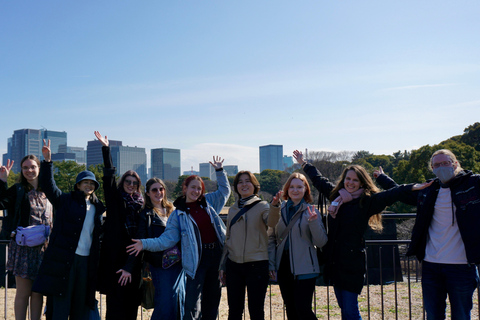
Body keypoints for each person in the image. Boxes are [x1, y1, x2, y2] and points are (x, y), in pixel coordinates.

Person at [294, 149, 426, 319]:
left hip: (352, 264)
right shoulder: (337, 196)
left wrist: (412, 187)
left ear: (362, 183)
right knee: (344, 308)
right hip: (335, 262)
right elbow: (319, 180)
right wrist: (304, 164)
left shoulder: (368, 201)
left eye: (355, 180)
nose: (350, 183)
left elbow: (392, 194)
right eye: (348, 179)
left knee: (350, 310)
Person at [374, 149, 480, 320]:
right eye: (436, 165)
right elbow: (402, 192)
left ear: (456, 164)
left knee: (461, 315)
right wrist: (382, 178)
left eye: (446, 163)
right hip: (431, 265)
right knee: (433, 315)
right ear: (431, 168)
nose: (441, 167)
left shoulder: (473, 184)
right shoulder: (428, 190)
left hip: (461, 266)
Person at [127, 156, 230, 320]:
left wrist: (219, 171)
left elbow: (225, 192)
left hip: (216, 258)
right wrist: (143, 244)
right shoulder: (178, 214)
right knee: (191, 304)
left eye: (199, 188)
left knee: (212, 302)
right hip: (196, 261)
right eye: (193, 187)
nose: (196, 191)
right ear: (185, 188)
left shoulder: (208, 203)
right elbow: (166, 240)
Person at [32, 139, 105, 319]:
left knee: (80, 304)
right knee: (61, 302)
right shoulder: (65, 201)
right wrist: (47, 162)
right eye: (85, 182)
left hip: (86, 261)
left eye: (92, 183)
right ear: (78, 185)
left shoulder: (98, 207)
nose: (89, 185)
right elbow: (49, 186)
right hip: (66, 259)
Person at [95, 131, 144, 320]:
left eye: (135, 182)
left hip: (134, 260)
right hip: (115, 259)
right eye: (128, 181)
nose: (131, 185)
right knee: (115, 308)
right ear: (122, 182)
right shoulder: (115, 200)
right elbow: (108, 178)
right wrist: (106, 150)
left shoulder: (142, 205)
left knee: (132, 305)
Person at [219, 171, 280, 320]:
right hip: (234, 264)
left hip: (257, 264)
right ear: (236, 186)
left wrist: (275, 206)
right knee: (234, 310)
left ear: (255, 185)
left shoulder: (263, 206)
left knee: (256, 310)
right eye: (240, 182)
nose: (244, 184)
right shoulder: (233, 209)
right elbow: (229, 239)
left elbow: (272, 223)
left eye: (248, 181)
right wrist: (222, 265)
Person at [268, 172, 328, 320]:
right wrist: (271, 264)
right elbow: (271, 238)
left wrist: (313, 222)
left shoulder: (311, 211)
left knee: (303, 308)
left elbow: (321, 242)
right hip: (283, 266)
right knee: (291, 309)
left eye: (299, 187)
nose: (295, 190)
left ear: (305, 190)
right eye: (292, 187)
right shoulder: (279, 211)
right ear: (287, 190)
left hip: (306, 267)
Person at [0, 156, 53, 320]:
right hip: (23, 248)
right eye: (25, 168)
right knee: (23, 293)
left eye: (32, 167)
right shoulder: (18, 189)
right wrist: (2, 181)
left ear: (39, 168)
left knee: (38, 293)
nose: (29, 171)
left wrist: (48, 160)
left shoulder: (49, 190)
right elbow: (1, 203)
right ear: (22, 171)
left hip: (43, 249)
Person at [136, 177, 182, 320]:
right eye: (154, 190)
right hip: (160, 265)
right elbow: (143, 240)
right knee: (164, 302)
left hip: (179, 263)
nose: (158, 192)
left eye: (161, 189)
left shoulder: (173, 210)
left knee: (178, 301)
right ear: (148, 193)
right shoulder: (145, 214)